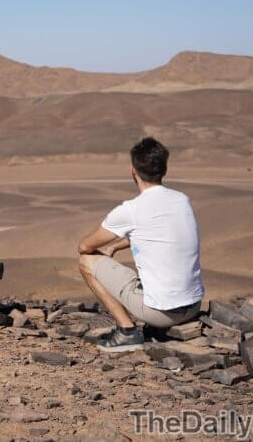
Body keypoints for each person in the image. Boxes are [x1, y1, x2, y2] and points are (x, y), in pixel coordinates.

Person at [77, 137, 204, 352]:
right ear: (164, 169)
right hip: (193, 305)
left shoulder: (131, 210)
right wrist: (116, 246)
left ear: (133, 170)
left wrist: (106, 247)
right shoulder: (182, 200)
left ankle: (126, 331)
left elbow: (84, 246)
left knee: (85, 262)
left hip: (162, 314)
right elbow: (156, 232)